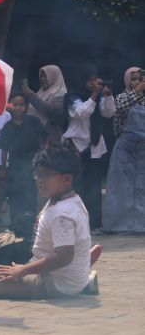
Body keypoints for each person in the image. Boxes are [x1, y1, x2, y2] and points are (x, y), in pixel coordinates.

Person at [0, 143, 100, 299]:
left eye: (46, 175)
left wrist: (23, 270)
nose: (39, 180)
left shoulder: (62, 214)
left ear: (66, 179)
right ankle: (84, 282)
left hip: (55, 284)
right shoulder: (71, 200)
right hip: (63, 277)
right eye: (37, 174)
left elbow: (64, 257)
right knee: (6, 261)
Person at [62, 64, 115, 230]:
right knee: (77, 185)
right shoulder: (72, 96)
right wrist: (94, 94)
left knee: (94, 186)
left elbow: (109, 113)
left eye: (95, 80)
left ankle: (94, 223)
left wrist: (107, 96)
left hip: (94, 146)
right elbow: (80, 113)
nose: (94, 83)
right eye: (91, 80)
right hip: (76, 145)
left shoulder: (98, 96)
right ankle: (77, 224)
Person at [0, 93, 47, 239]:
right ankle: (16, 227)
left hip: (32, 163)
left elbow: (45, 137)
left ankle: (30, 226)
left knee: (30, 194)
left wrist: (43, 155)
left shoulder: (33, 122)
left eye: (21, 104)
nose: (18, 107)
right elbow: (4, 149)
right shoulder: (7, 127)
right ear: (10, 107)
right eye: (15, 104)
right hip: (14, 165)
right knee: (14, 195)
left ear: (26, 107)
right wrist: (2, 168)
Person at [103, 67, 145, 233]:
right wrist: (138, 90)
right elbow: (120, 108)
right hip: (125, 149)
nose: (136, 82)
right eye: (133, 79)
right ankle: (120, 225)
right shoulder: (122, 97)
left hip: (143, 149)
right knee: (122, 187)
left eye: (139, 79)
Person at [23, 65, 67, 144]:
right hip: (32, 136)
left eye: (45, 76)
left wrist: (33, 97)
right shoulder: (41, 92)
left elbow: (55, 113)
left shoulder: (60, 93)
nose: (42, 79)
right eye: (41, 76)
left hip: (47, 138)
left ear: (54, 76)